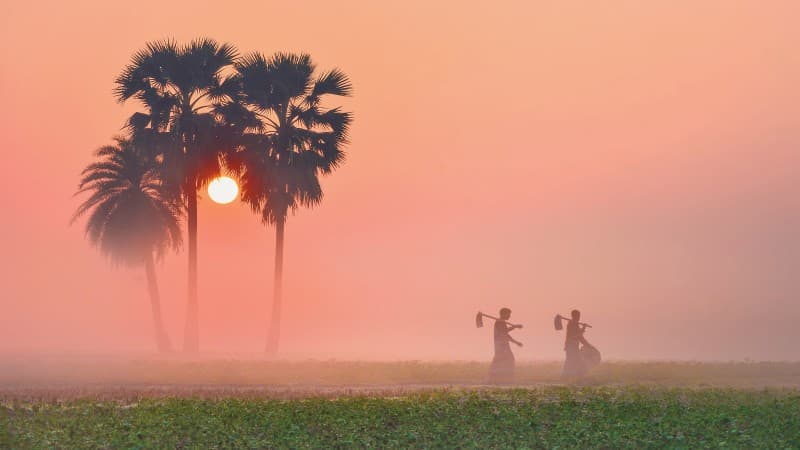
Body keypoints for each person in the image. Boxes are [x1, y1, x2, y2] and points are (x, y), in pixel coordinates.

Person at [488, 307, 523, 383]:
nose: (509, 316)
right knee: (506, 360)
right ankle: (500, 378)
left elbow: (505, 332)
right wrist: (516, 342)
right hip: (501, 344)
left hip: (502, 344)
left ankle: (498, 378)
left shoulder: (501, 322)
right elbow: (504, 334)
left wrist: (515, 327)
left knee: (501, 360)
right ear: (503, 314)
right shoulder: (500, 322)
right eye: (508, 314)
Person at [562, 309, 588, 378]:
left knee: (571, 361)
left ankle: (568, 375)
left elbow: (579, 335)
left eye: (579, 316)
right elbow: (576, 335)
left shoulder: (574, 324)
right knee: (572, 361)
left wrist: (583, 328)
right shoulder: (572, 324)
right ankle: (568, 376)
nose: (579, 318)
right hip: (571, 346)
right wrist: (583, 328)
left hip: (573, 346)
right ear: (574, 316)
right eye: (578, 316)